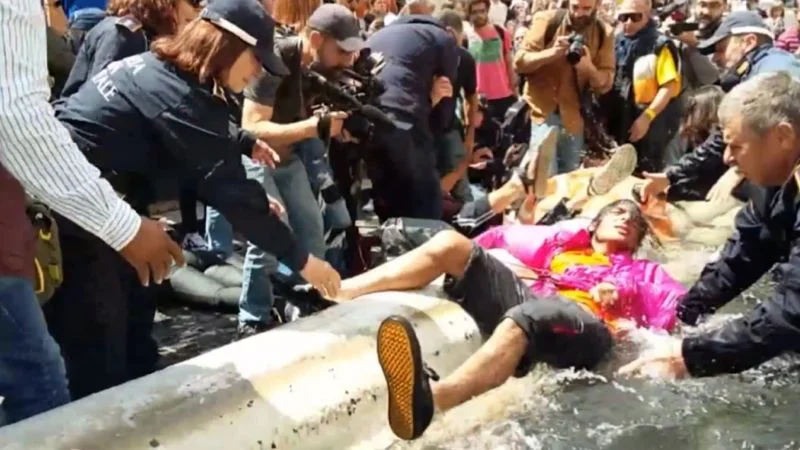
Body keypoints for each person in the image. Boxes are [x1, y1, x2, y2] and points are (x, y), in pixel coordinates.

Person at [45, 0, 340, 399]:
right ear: (226, 46)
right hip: (75, 215)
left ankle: (143, 406)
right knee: (99, 348)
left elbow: (195, 126)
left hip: (103, 204)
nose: (258, 72)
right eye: (256, 60)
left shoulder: (158, 68)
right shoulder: (178, 94)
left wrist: (243, 142)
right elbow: (231, 191)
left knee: (137, 317)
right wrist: (305, 262)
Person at [336, 199, 684, 440]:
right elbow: (497, 238)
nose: (627, 220)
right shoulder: (560, 246)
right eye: (618, 213)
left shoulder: (643, 271)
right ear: (595, 224)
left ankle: (435, 399)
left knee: (532, 314)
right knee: (450, 244)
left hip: (590, 327)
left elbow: (681, 310)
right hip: (540, 305)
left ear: (638, 239)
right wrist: (473, 259)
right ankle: (339, 291)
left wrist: (622, 297)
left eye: (635, 222)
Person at [1, 0, 183, 424]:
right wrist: (122, 225)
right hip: (78, 195)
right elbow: (20, 117)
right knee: (40, 384)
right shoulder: (121, 38)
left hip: (76, 190)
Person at [620, 72, 800, 380]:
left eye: (737, 147)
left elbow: (793, 310)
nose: (727, 159)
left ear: (783, 137)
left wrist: (692, 356)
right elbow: (745, 251)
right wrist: (682, 315)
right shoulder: (773, 178)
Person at [207, 3, 360, 335]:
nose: (349, 60)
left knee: (312, 228)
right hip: (256, 158)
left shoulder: (313, 68)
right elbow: (252, 126)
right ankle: (252, 318)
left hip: (288, 158)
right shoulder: (278, 59)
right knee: (266, 239)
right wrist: (315, 127)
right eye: (342, 51)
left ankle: (302, 298)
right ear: (316, 39)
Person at [639, 11, 800, 204]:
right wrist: (671, 175)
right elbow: (722, 138)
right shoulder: (759, 70)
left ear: (749, 42)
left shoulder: (773, 71)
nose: (715, 58)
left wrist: (737, 171)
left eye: (721, 49)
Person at [365, 13, 461, 220]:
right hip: (405, 117)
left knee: (387, 196)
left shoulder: (378, 35)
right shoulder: (444, 39)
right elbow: (444, 115)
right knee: (427, 201)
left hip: (368, 118)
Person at [514, 0, 616, 174]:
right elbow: (519, 62)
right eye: (575, 7)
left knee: (569, 180)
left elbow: (606, 83)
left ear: (597, 6)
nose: (578, 13)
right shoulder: (547, 21)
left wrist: (589, 68)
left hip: (574, 120)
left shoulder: (604, 33)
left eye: (586, 9)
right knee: (543, 178)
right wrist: (551, 53)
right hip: (542, 113)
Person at [601, 0, 682, 174]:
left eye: (635, 17)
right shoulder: (616, 42)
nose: (628, 22)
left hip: (650, 124)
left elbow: (668, 87)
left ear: (647, 15)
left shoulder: (660, 45)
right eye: (624, 17)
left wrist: (647, 117)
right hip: (620, 119)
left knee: (644, 174)